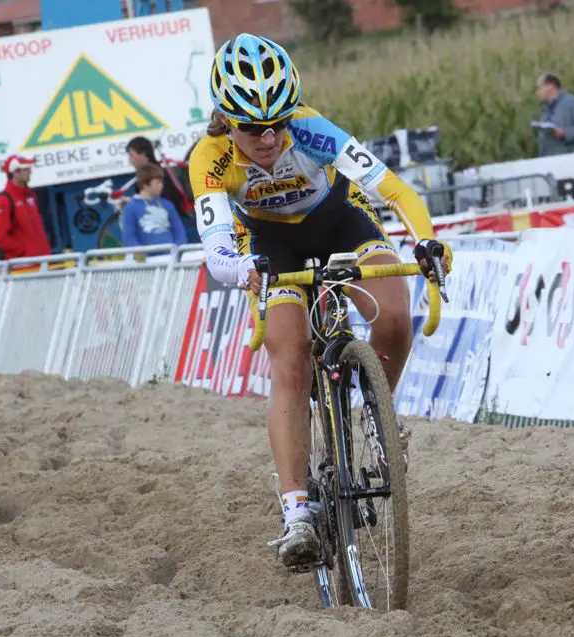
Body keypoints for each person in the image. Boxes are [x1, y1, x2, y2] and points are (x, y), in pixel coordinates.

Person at [188, 33, 451, 570]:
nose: (267, 138)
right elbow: (216, 251)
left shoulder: (310, 129)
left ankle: (378, 415)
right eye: (251, 128)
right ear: (224, 118)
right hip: (268, 243)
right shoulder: (210, 159)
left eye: (277, 123)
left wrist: (426, 240)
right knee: (291, 358)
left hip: (339, 219)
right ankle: (298, 514)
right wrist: (244, 269)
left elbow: (395, 190)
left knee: (395, 314)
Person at [126, 135, 196, 241]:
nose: (130, 160)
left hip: (178, 225)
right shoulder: (150, 174)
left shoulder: (157, 175)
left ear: (144, 154)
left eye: (132, 155)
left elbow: (167, 207)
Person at [0, 154, 52, 260]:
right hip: (24, 268)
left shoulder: (30, 196)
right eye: (26, 169)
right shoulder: (4, 200)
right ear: (15, 172)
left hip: (42, 263)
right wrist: (24, 251)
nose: (30, 172)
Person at [121, 164, 187, 248]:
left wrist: (178, 248)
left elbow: (179, 231)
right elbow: (128, 236)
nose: (162, 185)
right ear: (145, 185)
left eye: (161, 182)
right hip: (148, 258)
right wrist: (139, 253)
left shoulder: (167, 204)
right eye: (158, 182)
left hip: (172, 255)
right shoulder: (131, 208)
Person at [534, 73, 574, 156]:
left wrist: (565, 133)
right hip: (554, 164)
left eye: (539, 88)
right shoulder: (545, 112)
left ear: (551, 88)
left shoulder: (573, 103)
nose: (537, 92)